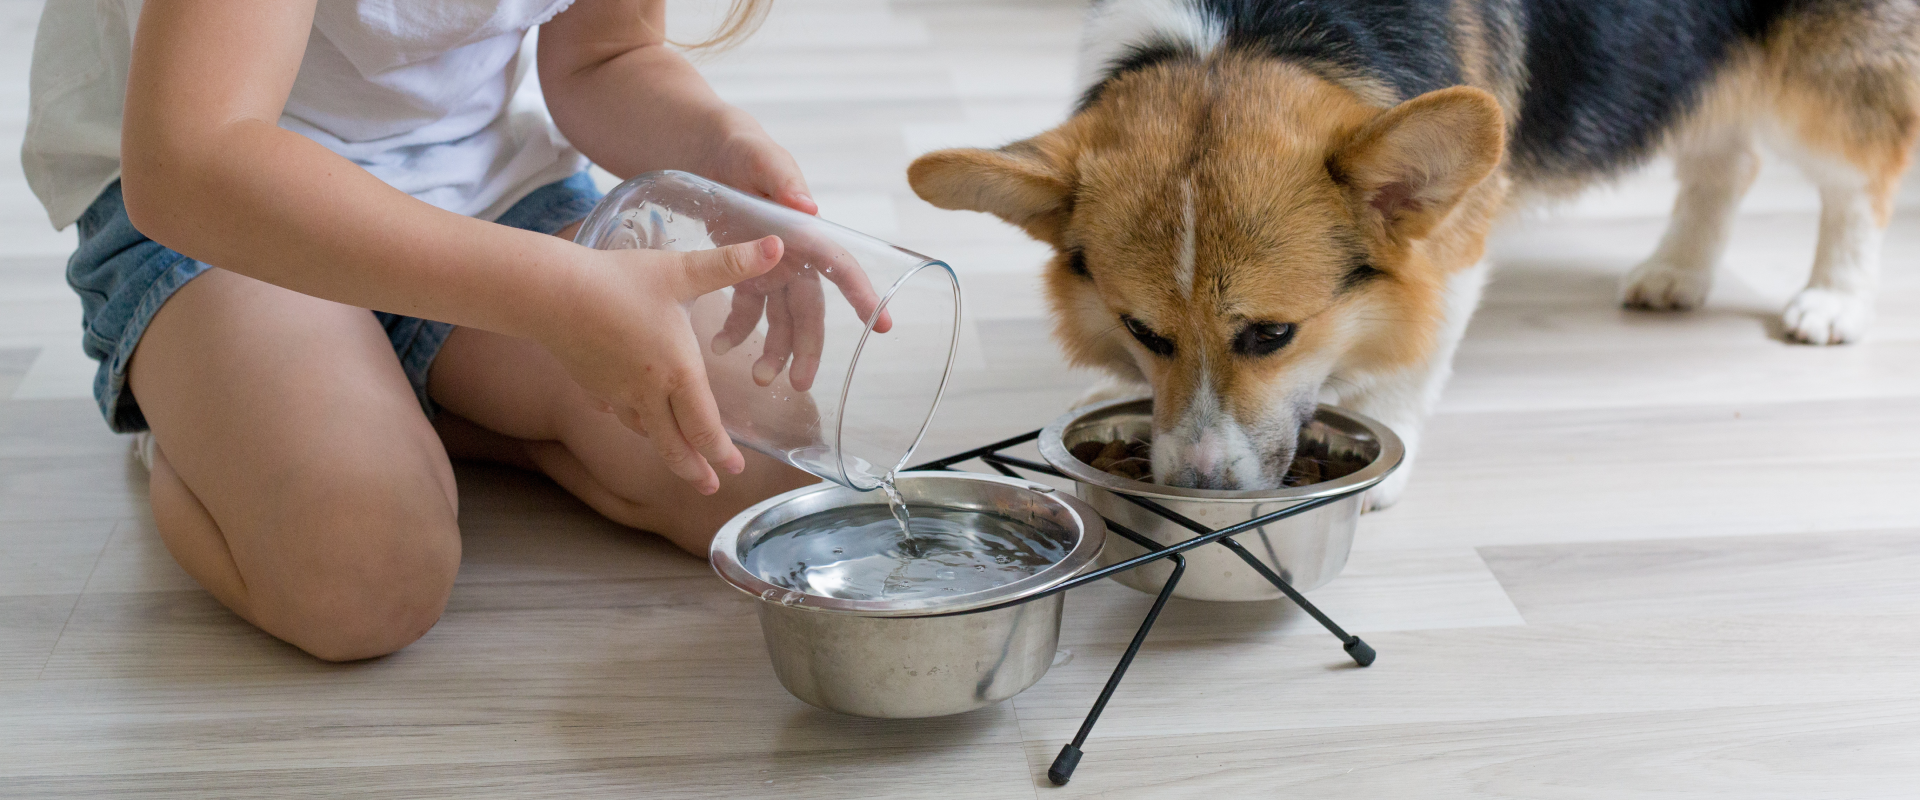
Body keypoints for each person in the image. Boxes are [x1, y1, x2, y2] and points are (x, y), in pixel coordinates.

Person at [21, 0, 821, 662]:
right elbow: (194, 160)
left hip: (478, 181)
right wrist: (554, 293)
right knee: (362, 573)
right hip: (224, 216)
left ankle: (411, 394)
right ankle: (192, 417)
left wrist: (722, 145)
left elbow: (602, 57)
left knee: (764, 463)